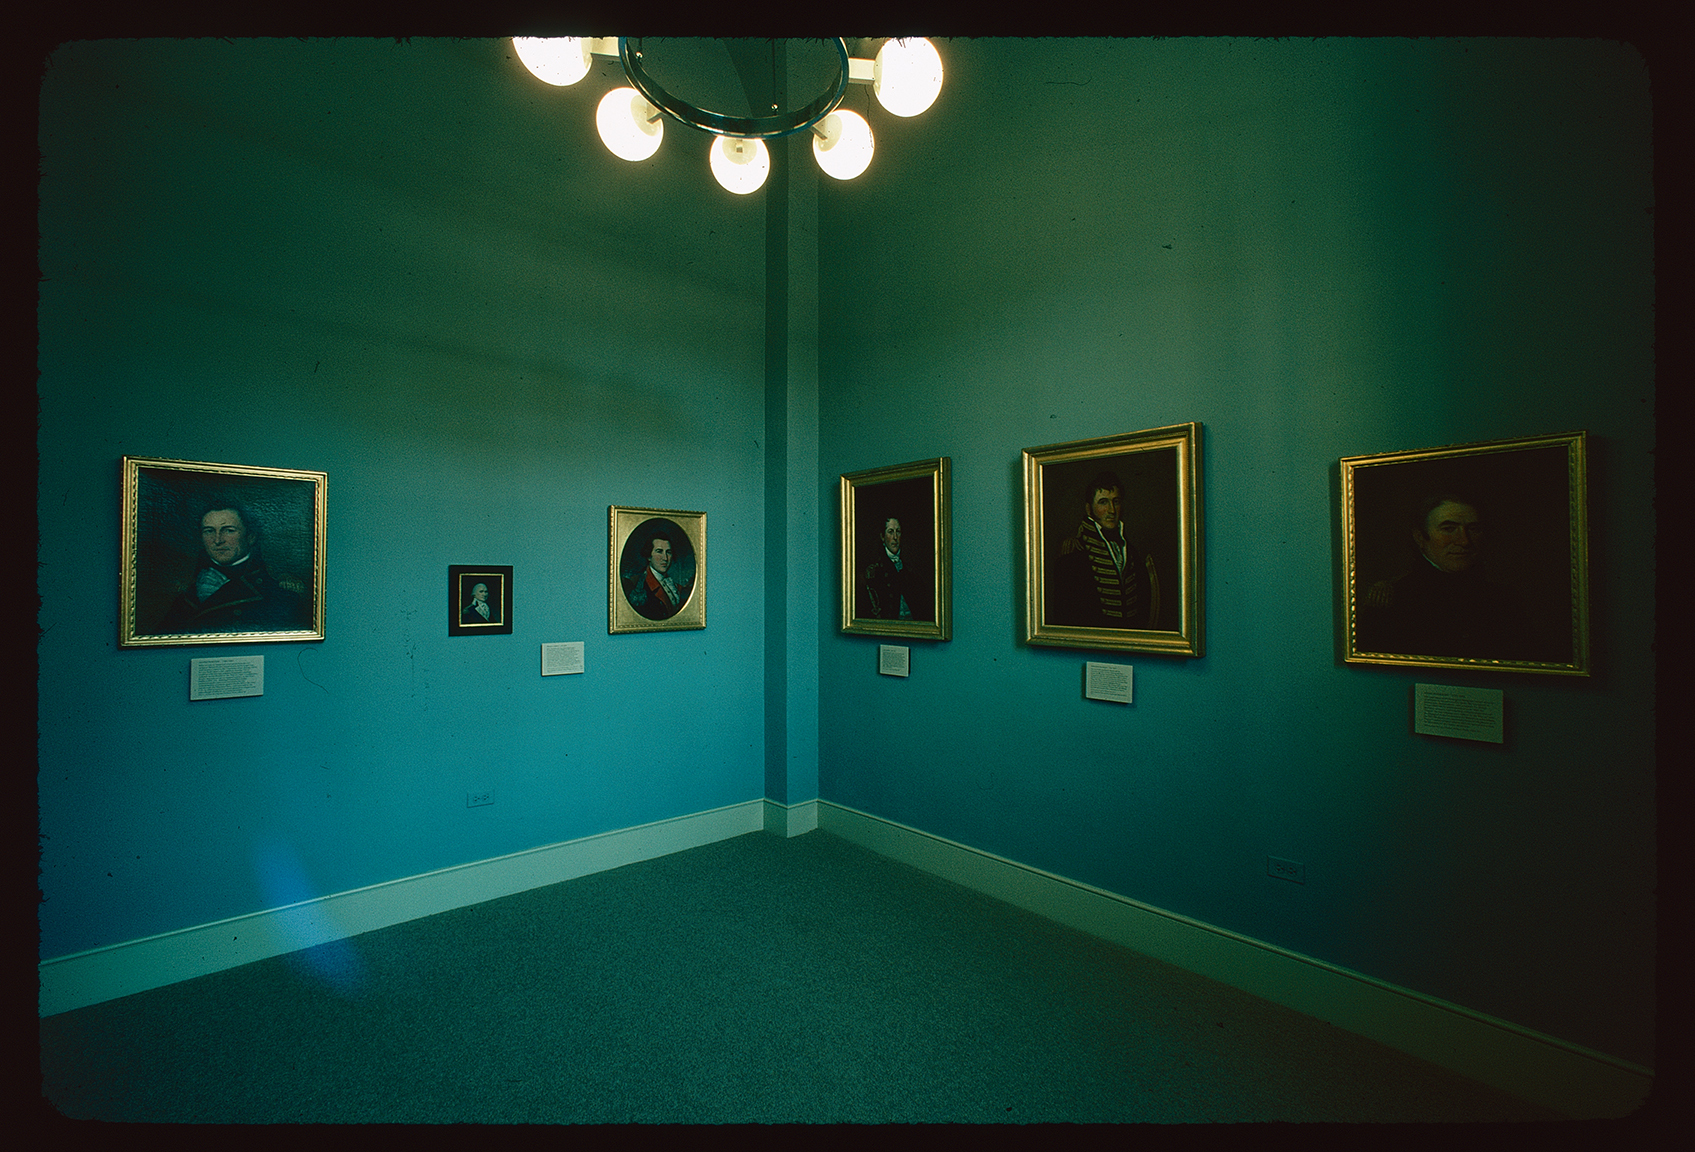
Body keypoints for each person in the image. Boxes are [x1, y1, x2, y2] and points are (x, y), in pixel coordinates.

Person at [1356, 493, 1550, 660]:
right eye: (1448, 529)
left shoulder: (1505, 599)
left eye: (1473, 529)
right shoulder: (1393, 597)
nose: (1464, 541)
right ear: (1420, 537)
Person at [156, 500, 308, 634]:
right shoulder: (187, 588)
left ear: (251, 537)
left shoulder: (277, 592)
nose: (217, 540)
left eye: (229, 531)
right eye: (209, 531)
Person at [1052, 471, 1160, 629]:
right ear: (1089, 509)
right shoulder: (1074, 553)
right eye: (1103, 502)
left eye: (1115, 502)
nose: (1111, 510)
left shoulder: (1132, 551)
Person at [626, 529, 691, 620]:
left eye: (668, 552)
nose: (665, 558)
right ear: (649, 556)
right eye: (659, 551)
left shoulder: (674, 584)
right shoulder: (639, 585)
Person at [864, 517, 917, 621]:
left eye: (898, 532)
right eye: (890, 532)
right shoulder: (874, 571)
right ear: (882, 537)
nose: (895, 537)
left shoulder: (909, 570)